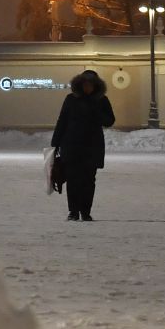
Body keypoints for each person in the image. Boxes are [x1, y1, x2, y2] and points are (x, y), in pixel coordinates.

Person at [50, 68, 115, 221]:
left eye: (90, 85)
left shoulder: (101, 101)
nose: (87, 87)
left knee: (88, 181)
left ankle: (85, 211)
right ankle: (73, 211)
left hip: (92, 147)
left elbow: (110, 121)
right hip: (72, 145)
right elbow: (62, 121)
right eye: (85, 84)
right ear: (80, 84)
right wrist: (55, 142)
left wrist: (96, 111)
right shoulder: (70, 99)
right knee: (72, 180)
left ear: (96, 86)